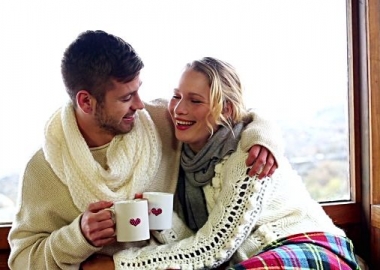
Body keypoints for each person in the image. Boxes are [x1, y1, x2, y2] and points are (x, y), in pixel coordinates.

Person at [7, 31, 282, 270]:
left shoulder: (163, 121)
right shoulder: (44, 168)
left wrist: (263, 137)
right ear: (86, 102)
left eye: (139, 91)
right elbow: (21, 262)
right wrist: (78, 237)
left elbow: (232, 113)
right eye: (126, 98)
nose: (140, 105)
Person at [86, 57, 359, 269]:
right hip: (247, 260)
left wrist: (118, 265)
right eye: (177, 96)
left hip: (306, 245)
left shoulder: (247, 154)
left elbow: (214, 247)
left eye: (195, 100)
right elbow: (197, 239)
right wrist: (160, 219)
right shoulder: (182, 155)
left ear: (225, 110)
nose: (179, 109)